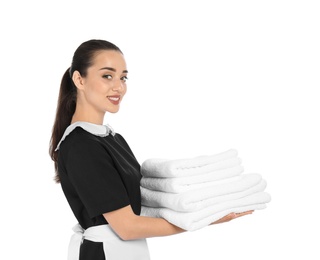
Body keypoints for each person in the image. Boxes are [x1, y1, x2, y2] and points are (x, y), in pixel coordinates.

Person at [49, 39, 253, 260]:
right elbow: (128, 227)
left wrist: (206, 211)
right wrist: (201, 220)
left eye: (123, 77)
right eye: (107, 76)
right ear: (79, 79)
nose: (119, 86)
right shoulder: (82, 145)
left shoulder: (112, 138)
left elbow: (140, 208)